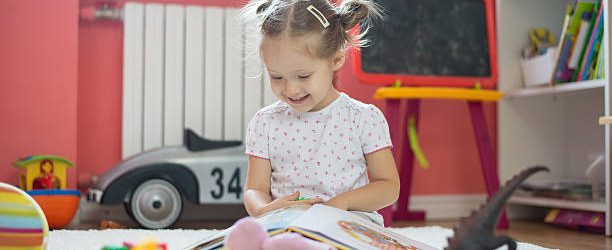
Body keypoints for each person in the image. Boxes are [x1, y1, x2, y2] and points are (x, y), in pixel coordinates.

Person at [225, 0, 399, 248]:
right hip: (289, 223)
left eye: (303, 76)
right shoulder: (265, 122)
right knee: (267, 237)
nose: (290, 89)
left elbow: (388, 187)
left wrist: (342, 202)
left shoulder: (362, 117)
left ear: (336, 60)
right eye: (277, 77)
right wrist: (265, 208)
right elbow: (254, 189)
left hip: (349, 222)